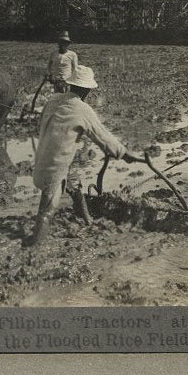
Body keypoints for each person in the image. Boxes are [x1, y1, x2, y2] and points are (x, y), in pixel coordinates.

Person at [27, 64, 146, 246]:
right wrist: (127, 155)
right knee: (46, 210)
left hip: (43, 158)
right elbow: (104, 138)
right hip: (55, 167)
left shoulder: (53, 100)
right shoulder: (82, 109)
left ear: (70, 85)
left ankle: (87, 219)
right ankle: (33, 251)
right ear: (87, 90)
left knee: (74, 184)